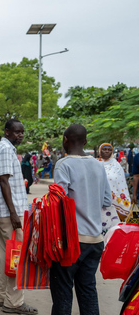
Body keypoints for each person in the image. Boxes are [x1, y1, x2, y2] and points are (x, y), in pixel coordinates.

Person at [52, 125, 112, 315]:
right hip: (95, 240)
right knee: (88, 291)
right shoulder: (98, 165)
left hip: (71, 240)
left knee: (63, 293)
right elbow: (107, 200)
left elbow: (57, 202)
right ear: (86, 141)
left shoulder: (64, 164)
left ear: (64, 140)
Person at [0, 119, 37, 314]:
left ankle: (1, 296)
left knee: (7, 254)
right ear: (7, 132)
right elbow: (4, 181)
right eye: (17, 132)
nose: (21, 135)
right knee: (17, 255)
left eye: (22, 132)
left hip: (3, 212)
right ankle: (14, 302)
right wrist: (14, 213)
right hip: (9, 213)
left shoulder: (2, 147)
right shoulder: (6, 149)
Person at [98, 143, 131, 227]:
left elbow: (121, 184)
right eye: (104, 149)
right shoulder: (95, 164)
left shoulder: (116, 165)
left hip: (113, 203)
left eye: (109, 150)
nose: (107, 151)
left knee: (111, 227)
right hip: (97, 201)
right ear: (100, 151)